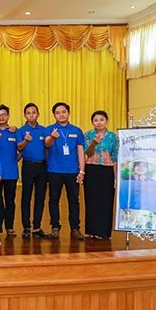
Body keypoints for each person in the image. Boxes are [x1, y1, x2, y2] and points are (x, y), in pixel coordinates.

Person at [45, 102, 86, 240]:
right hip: (54, 170)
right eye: (57, 113)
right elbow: (47, 144)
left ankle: (75, 228)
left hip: (72, 171)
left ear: (69, 113)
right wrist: (52, 137)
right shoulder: (50, 129)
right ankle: (55, 227)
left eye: (63, 112)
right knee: (53, 199)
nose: (61, 115)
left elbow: (80, 151)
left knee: (74, 200)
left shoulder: (76, 130)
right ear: (54, 115)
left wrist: (82, 171)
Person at [84, 110, 118, 240]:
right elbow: (88, 153)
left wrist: (116, 177)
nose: (99, 122)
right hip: (91, 169)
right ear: (92, 122)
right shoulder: (88, 135)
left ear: (106, 121)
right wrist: (94, 143)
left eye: (101, 120)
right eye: (96, 120)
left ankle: (104, 232)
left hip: (107, 170)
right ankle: (90, 230)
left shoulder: (113, 137)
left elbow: (115, 157)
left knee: (106, 201)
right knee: (91, 200)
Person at [17, 103, 49, 238]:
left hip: (42, 167)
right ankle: (26, 227)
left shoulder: (44, 130)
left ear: (38, 114)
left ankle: (37, 227)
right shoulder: (21, 130)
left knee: (40, 197)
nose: (31, 115)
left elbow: (48, 146)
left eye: (34, 112)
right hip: (28, 166)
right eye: (28, 113)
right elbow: (19, 147)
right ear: (24, 115)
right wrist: (26, 140)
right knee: (26, 197)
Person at [0, 105, 19, 237]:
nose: (1, 117)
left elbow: (21, 149)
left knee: (10, 201)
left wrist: (14, 160)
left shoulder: (14, 131)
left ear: (8, 116)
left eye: (4, 115)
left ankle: (10, 227)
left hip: (11, 173)